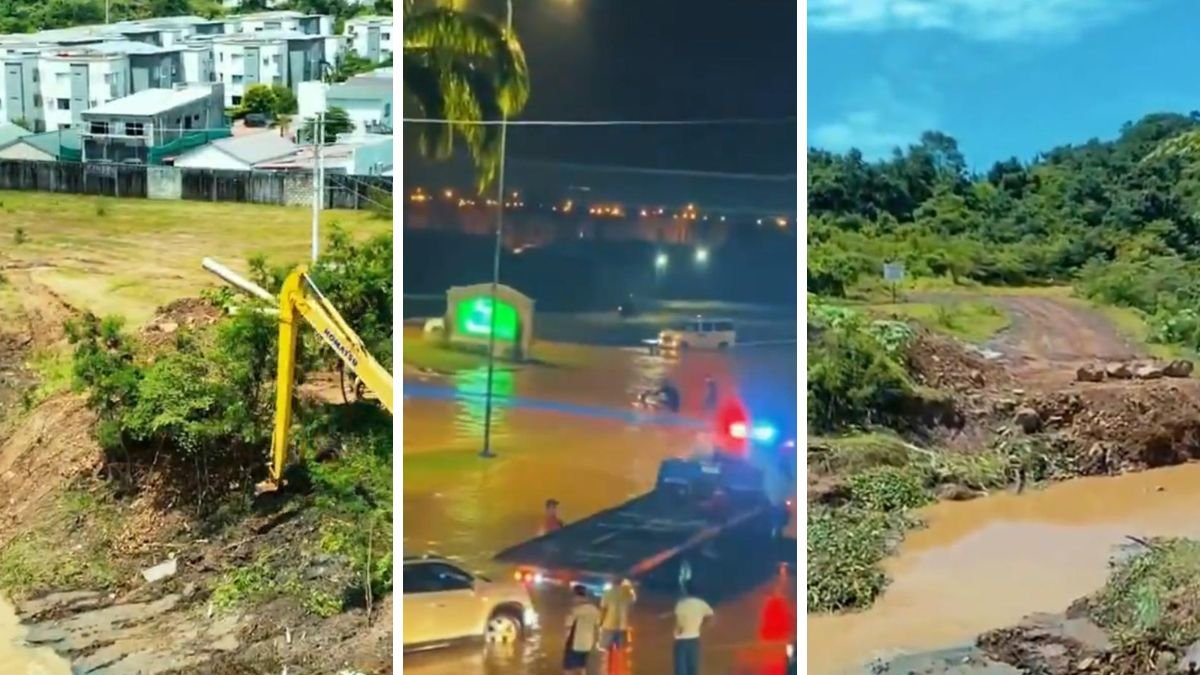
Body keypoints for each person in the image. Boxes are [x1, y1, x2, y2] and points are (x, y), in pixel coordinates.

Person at [672, 581, 714, 675]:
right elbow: (711, 616)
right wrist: (701, 626)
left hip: (681, 641)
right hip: (694, 639)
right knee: (693, 670)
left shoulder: (680, 604)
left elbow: (679, 625)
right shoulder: (701, 604)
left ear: (686, 591)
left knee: (680, 671)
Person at [599, 579, 638, 673]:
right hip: (622, 626)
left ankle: (607, 671)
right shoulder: (627, 593)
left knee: (606, 652)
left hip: (608, 625)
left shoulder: (608, 593)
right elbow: (633, 601)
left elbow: (603, 609)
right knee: (621, 652)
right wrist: (630, 587)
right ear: (621, 582)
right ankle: (619, 671)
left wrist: (600, 622)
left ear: (612, 583)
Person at [563, 584, 601, 674]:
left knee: (568, 667)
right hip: (587, 643)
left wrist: (565, 641)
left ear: (576, 595)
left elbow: (568, 626)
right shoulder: (594, 609)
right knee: (582, 666)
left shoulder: (576, 610)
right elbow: (598, 624)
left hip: (575, 643)